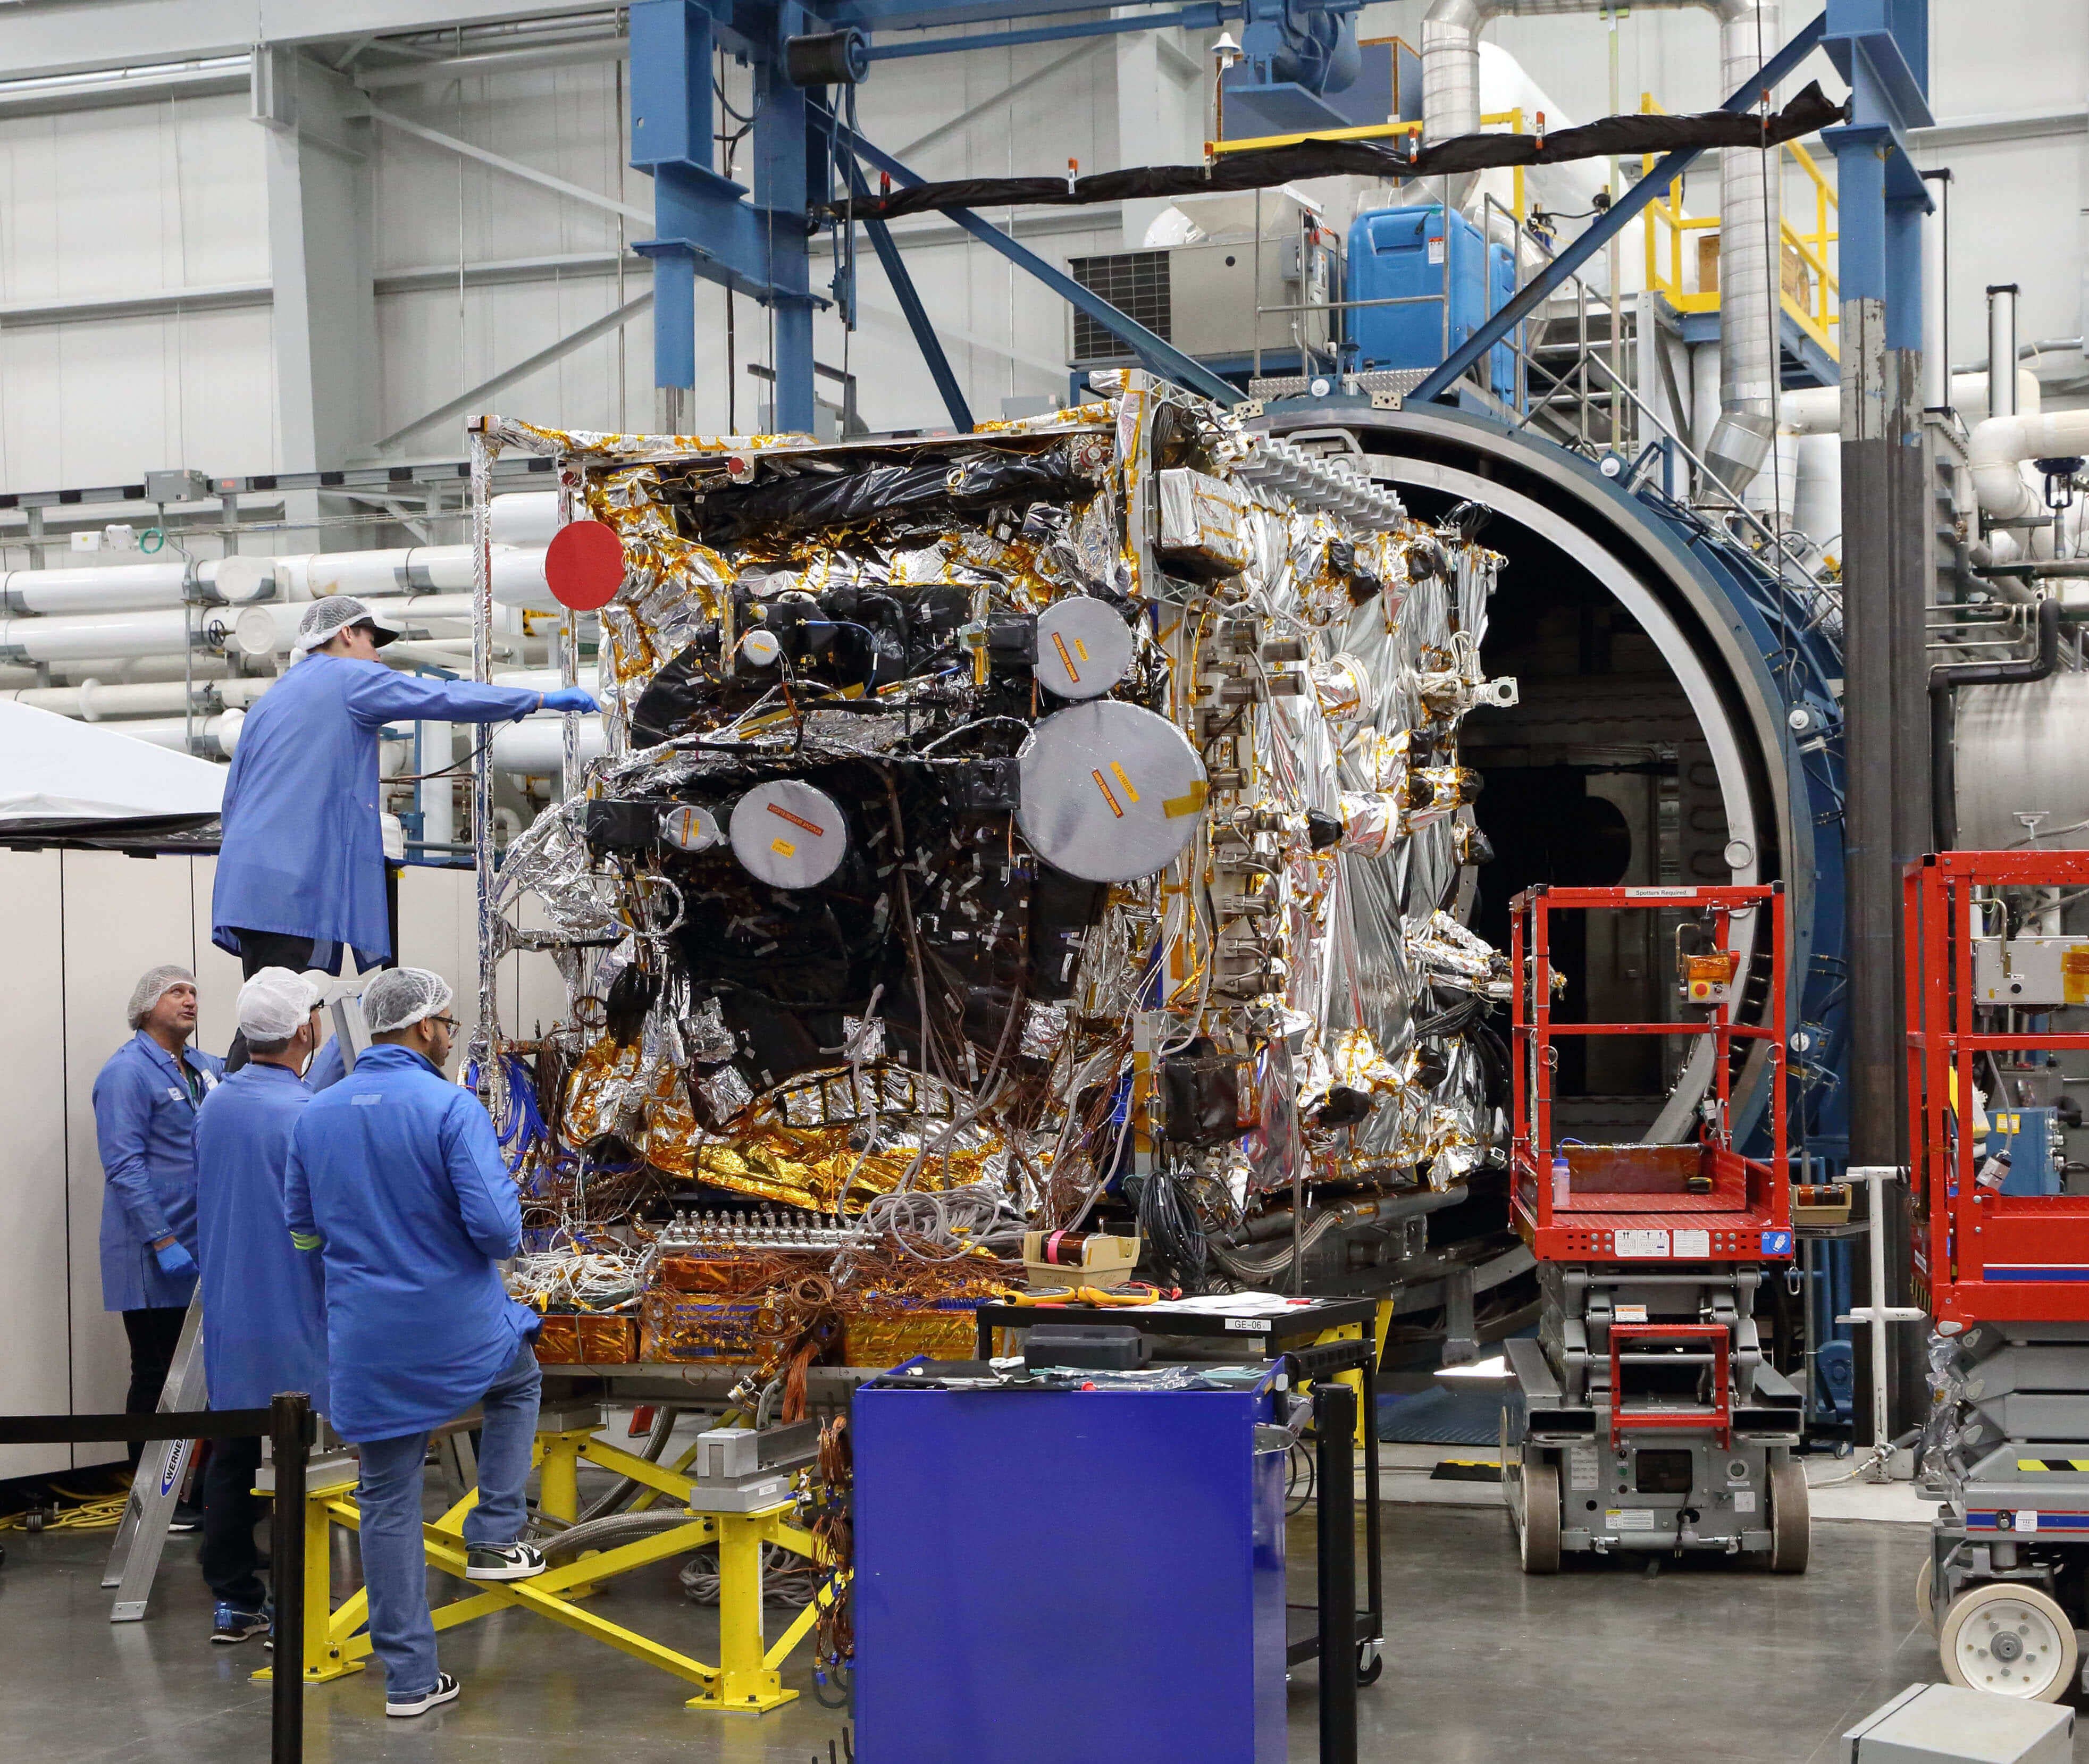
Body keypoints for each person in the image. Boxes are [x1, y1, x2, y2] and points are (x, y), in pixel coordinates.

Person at [284, 967, 546, 1718]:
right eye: (448, 1024)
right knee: (519, 1380)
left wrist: (364, 1254)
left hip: (365, 1339)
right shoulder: (450, 1107)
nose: (449, 1036)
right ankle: (495, 1533)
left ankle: (409, 1681)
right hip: (457, 1328)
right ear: (424, 1025)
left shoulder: (315, 1114)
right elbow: (497, 1231)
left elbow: (302, 1232)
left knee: (387, 1496)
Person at [209, 592, 596, 998]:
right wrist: (537, 700)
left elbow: (232, 798)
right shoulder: (349, 677)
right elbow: (444, 696)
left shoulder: (272, 699)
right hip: (293, 883)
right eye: (371, 641)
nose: (377, 657)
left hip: (246, 883)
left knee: (270, 1010)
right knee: (288, 1016)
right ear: (346, 634)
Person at [191, 969, 329, 1646]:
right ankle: (297, 1608)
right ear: (305, 1029)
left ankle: (234, 1601)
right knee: (303, 1465)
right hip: (297, 1308)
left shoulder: (214, 1106)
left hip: (229, 1310)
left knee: (233, 1453)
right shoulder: (309, 1114)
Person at [92, 965, 224, 1513]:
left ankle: (198, 1496)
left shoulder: (203, 1067)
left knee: (204, 1379)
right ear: (147, 1006)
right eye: (176, 992)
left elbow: (258, 1079)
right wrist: (163, 1240)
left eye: (194, 991)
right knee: (155, 1374)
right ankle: (150, 1503)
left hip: (202, 1245)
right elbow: (123, 1166)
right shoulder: (126, 1073)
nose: (190, 999)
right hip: (152, 1252)